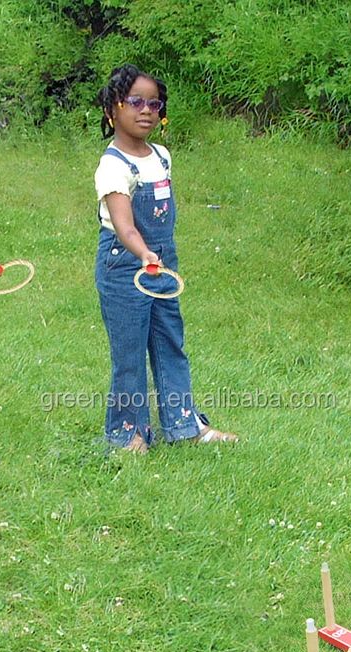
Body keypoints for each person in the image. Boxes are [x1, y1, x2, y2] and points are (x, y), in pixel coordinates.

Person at [94, 64, 238, 454]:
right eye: (135, 101)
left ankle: (184, 424)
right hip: (125, 264)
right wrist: (143, 254)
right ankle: (128, 434)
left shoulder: (161, 155)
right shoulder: (112, 166)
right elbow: (124, 227)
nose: (146, 111)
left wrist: (158, 258)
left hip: (161, 264)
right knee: (129, 353)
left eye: (154, 104)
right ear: (113, 109)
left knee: (169, 342)